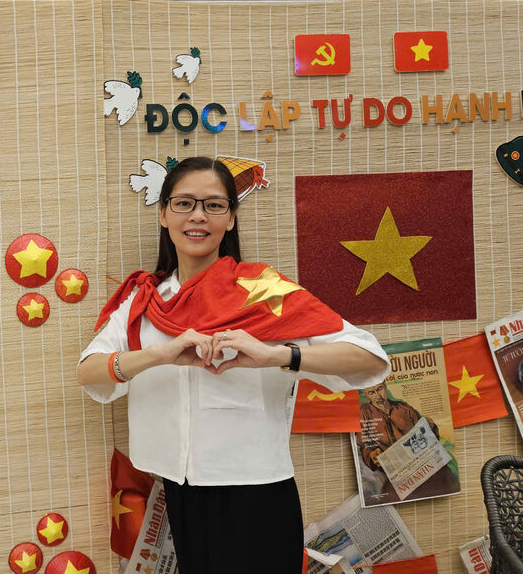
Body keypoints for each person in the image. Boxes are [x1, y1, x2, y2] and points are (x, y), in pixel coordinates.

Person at [76, 157, 390, 573]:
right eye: (184, 203)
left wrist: (277, 356)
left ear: (231, 218)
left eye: (214, 205)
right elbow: (89, 371)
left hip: (257, 494)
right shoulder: (144, 302)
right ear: (164, 214)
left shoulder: (266, 292)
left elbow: (370, 358)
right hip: (181, 492)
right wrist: (160, 354)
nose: (198, 216)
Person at [356, 381, 458, 504]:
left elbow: (429, 437)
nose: (378, 396)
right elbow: (364, 445)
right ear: (366, 394)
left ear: (385, 386)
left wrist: (431, 427)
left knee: (446, 480)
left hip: (424, 463)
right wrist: (371, 455)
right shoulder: (364, 413)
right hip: (398, 473)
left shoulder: (404, 408)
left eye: (379, 389)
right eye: (371, 393)